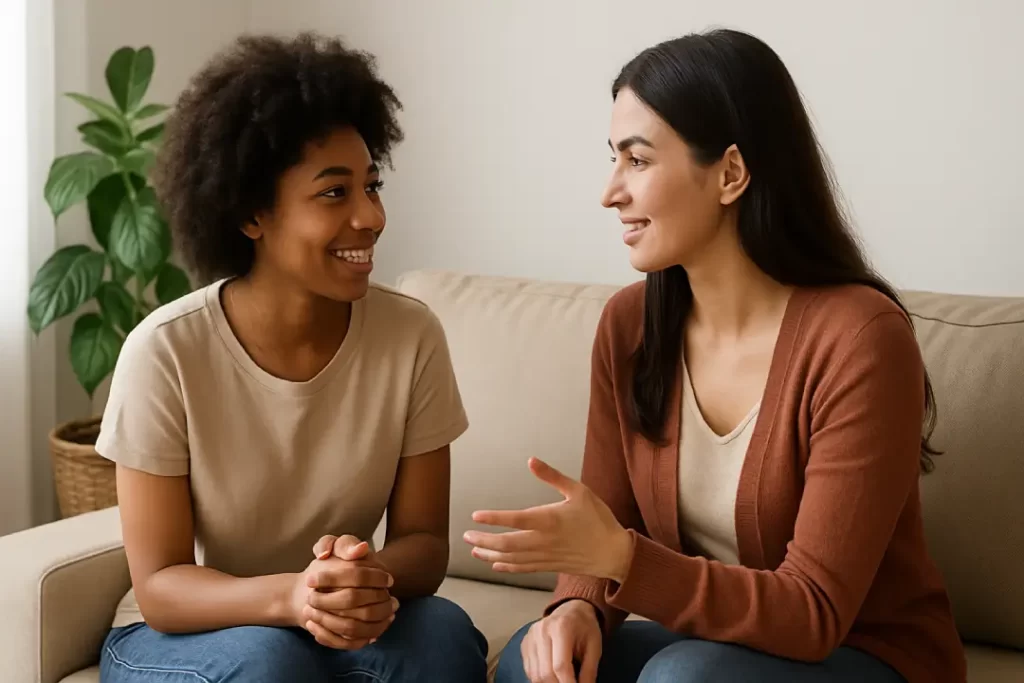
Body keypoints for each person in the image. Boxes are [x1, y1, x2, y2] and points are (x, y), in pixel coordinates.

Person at [465, 28, 967, 683]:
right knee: (540, 660)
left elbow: (814, 613)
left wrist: (622, 559)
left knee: (686, 678)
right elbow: (606, 523)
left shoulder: (861, 338)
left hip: (867, 654)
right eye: (612, 158)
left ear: (730, 172)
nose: (610, 191)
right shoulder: (630, 325)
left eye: (637, 160)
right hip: (714, 647)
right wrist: (576, 607)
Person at [95, 33, 487, 683]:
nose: (371, 216)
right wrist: (291, 595)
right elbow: (162, 584)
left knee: (441, 634)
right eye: (335, 193)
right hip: (183, 631)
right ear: (252, 213)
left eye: (372, 185)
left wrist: (361, 573)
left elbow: (424, 545)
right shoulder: (165, 351)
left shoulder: (410, 334)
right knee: (271, 660)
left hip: (327, 618)